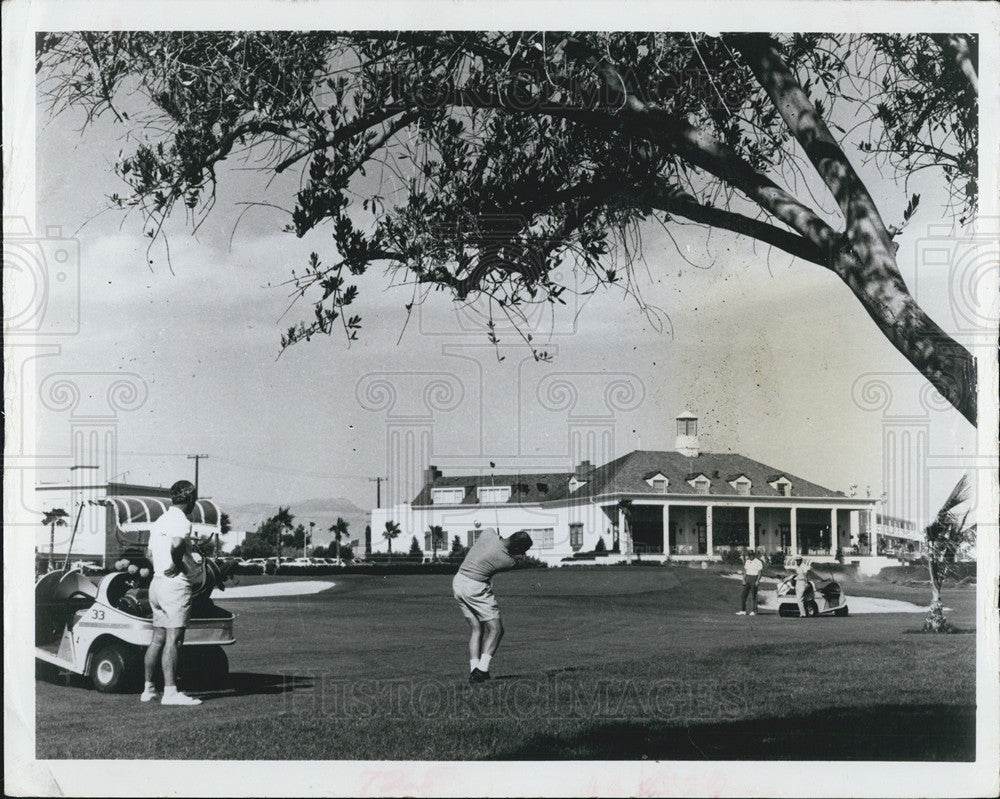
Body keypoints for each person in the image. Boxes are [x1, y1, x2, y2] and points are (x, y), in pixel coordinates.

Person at [141, 480, 203, 705]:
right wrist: (177, 565)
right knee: (174, 639)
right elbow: (177, 544)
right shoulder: (182, 521)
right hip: (173, 584)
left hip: (156, 584)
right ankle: (170, 692)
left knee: (157, 638)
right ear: (190, 498)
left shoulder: (160, 520)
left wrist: (163, 566)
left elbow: (148, 553)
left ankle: (148, 689)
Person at [452, 529, 533, 683]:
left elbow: (489, 532)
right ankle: (482, 670)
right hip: (475, 588)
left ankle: (474, 671)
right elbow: (513, 558)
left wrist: (498, 536)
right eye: (522, 551)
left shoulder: (488, 533)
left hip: (458, 581)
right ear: (516, 548)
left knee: (477, 629)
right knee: (496, 630)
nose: (523, 555)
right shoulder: (508, 561)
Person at [736, 549, 764, 615]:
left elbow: (760, 572)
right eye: (749, 555)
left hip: (754, 577)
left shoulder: (758, 562)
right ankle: (743, 610)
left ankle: (754, 611)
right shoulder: (747, 561)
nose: (750, 556)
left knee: (754, 595)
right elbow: (745, 571)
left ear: (754, 555)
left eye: (751, 555)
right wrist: (743, 579)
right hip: (747, 578)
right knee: (743, 595)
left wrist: (757, 580)